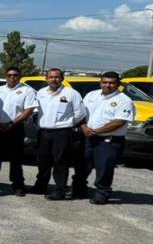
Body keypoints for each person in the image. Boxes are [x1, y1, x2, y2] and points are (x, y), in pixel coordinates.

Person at [30, 68, 86, 201]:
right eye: (50, 77)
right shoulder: (41, 93)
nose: (53, 79)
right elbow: (36, 111)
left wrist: (67, 123)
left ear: (62, 78)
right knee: (43, 161)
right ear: (46, 79)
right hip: (44, 131)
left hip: (62, 132)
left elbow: (80, 113)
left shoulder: (72, 94)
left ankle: (60, 190)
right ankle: (40, 186)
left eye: (56, 77)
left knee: (60, 162)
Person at [82, 72, 135, 205]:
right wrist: (84, 127)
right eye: (105, 82)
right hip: (88, 137)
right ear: (100, 83)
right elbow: (81, 112)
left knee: (104, 168)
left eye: (111, 83)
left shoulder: (124, 100)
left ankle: (102, 193)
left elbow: (119, 122)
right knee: (82, 165)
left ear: (118, 84)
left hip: (109, 140)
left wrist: (96, 131)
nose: (108, 85)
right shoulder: (91, 95)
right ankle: (79, 188)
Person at [0, 66, 38, 196]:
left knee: (16, 159)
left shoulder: (27, 91)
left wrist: (11, 123)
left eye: (15, 75)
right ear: (6, 76)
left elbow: (28, 111)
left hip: (15, 128)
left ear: (20, 76)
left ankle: (18, 185)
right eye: (10, 75)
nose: (12, 77)